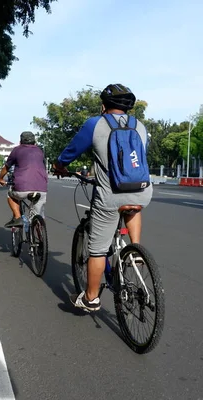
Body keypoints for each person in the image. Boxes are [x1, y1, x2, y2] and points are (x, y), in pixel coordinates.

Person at [52, 83, 153, 312]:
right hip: (141, 190)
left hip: (110, 195)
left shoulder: (95, 124)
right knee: (133, 206)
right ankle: (135, 251)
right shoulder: (140, 127)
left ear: (103, 105)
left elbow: (70, 151)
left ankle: (91, 298)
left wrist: (59, 166)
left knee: (97, 250)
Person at [0, 131, 48, 227]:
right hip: (42, 189)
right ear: (34, 142)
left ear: (20, 141)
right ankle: (41, 235)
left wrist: (0, 178)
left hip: (22, 188)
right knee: (39, 214)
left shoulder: (17, 150)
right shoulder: (40, 151)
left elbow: (7, 167)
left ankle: (17, 217)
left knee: (10, 194)